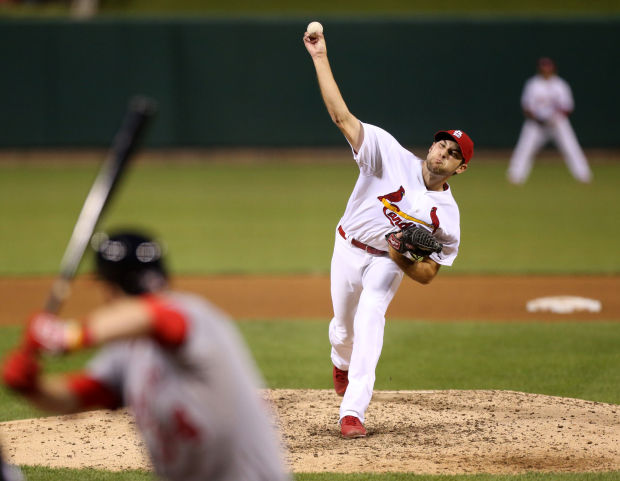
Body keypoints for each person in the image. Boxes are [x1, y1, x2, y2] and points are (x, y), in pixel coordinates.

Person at [2, 231, 291, 481]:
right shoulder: (125, 354)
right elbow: (74, 397)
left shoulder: (193, 315)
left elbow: (155, 316)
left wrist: (68, 336)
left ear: (110, 287)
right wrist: (33, 388)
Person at [303, 26, 474, 438]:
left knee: (370, 317)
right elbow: (341, 116)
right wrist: (319, 55)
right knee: (342, 330)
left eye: (453, 153)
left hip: (385, 262)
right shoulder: (386, 152)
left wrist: (399, 255)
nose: (443, 153)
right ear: (431, 146)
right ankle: (339, 362)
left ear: (460, 168)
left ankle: (353, 412)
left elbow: (429, 274)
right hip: (347, 247)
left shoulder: (447, 217)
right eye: (441, 145)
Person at [507, 57, 592, 184]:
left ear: (553, 68)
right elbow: (526, 107)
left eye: (548, 67)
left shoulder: (560, 85)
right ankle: (515, 177)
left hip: (557, 123)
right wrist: (538, 118)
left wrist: (556, 117)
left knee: (571, 147)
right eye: (543, 67)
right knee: (524, 148)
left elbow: (568, 107)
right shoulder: (533, 84)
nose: (546, 69)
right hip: (536, 124)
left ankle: (584, 176)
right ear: (540, 69)